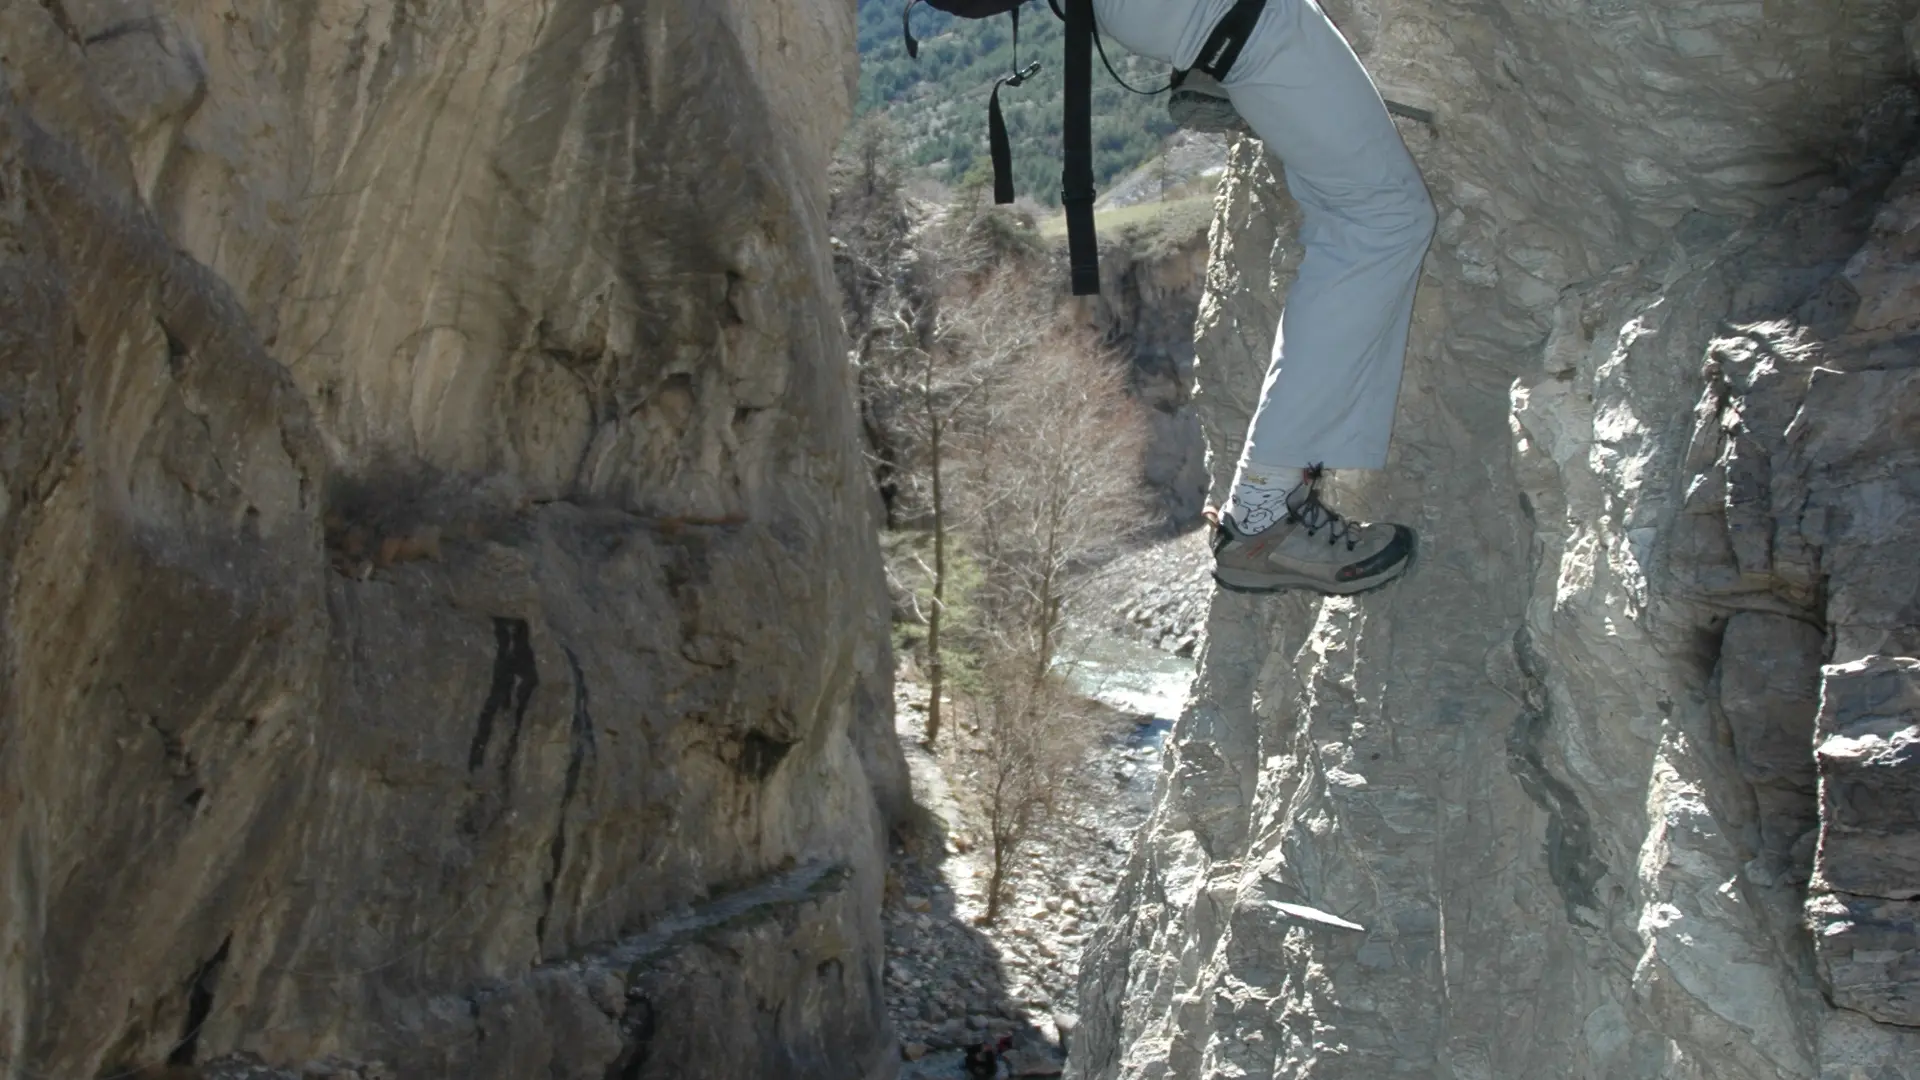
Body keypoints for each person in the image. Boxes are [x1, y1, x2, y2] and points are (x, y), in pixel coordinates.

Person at [1093, 0, 1436, 596]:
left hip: (1183, 17)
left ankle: (1272, 500)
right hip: (1229, 16)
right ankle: (1263, 515)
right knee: (1380, 220)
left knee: (1359, 220)